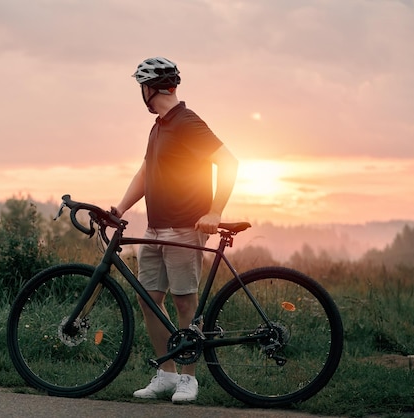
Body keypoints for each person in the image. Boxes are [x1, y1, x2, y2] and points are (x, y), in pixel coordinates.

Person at [112, 57, 238, 403]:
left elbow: (228, 162)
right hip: (154, 228)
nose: (142, 94)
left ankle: (188, 378)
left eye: (142, 88)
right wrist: (121, 208)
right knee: (148, 298)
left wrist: (214, 211)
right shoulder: (158, 127)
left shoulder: (187, 121)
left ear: (149, 88)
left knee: (185, 302)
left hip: (184, 227)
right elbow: (145, 173)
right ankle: (166, 374)